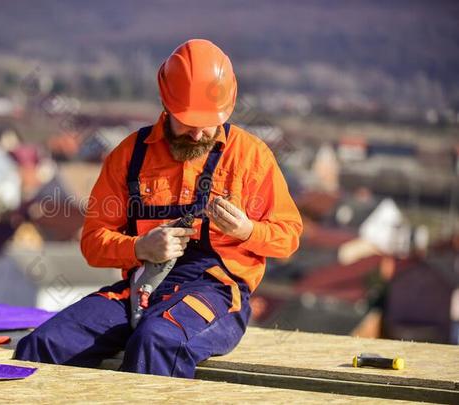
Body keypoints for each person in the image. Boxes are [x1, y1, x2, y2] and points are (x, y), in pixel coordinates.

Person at [15, 39, 303, 378]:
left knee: (157, 340)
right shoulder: (128, 156)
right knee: (43, 344)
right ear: (167, 103)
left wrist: (247, 231)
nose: (197, 135)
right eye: (187, 123)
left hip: (216, 293)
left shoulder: (250, 156)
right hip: (141, 289)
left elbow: (289, 237)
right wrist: (139, 247)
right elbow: (93, 243)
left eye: (206, 124)